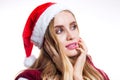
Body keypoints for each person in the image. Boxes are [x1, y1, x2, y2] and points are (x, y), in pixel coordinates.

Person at [15, 2, 109, 80]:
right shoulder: (29, 78)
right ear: (46, 41)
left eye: (73, 27)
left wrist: (77, 76)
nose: (71, 36)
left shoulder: (99, 75)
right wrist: (67, 73)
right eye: (59, 31)